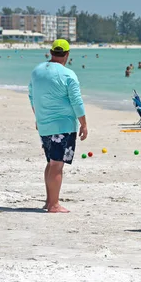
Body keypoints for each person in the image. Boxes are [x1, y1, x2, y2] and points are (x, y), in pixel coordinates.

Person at [28, 39, 88, 213]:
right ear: (67, 55)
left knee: (51, 162)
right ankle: (54, 204)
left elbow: (32, 97)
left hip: (44, 124)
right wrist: (84, 124)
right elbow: (77, 102)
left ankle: (49, 201)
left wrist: (38, 118)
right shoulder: (68, 74)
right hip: (62, 126)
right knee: (56, 165)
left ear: (51, 52)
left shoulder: (37, 71)